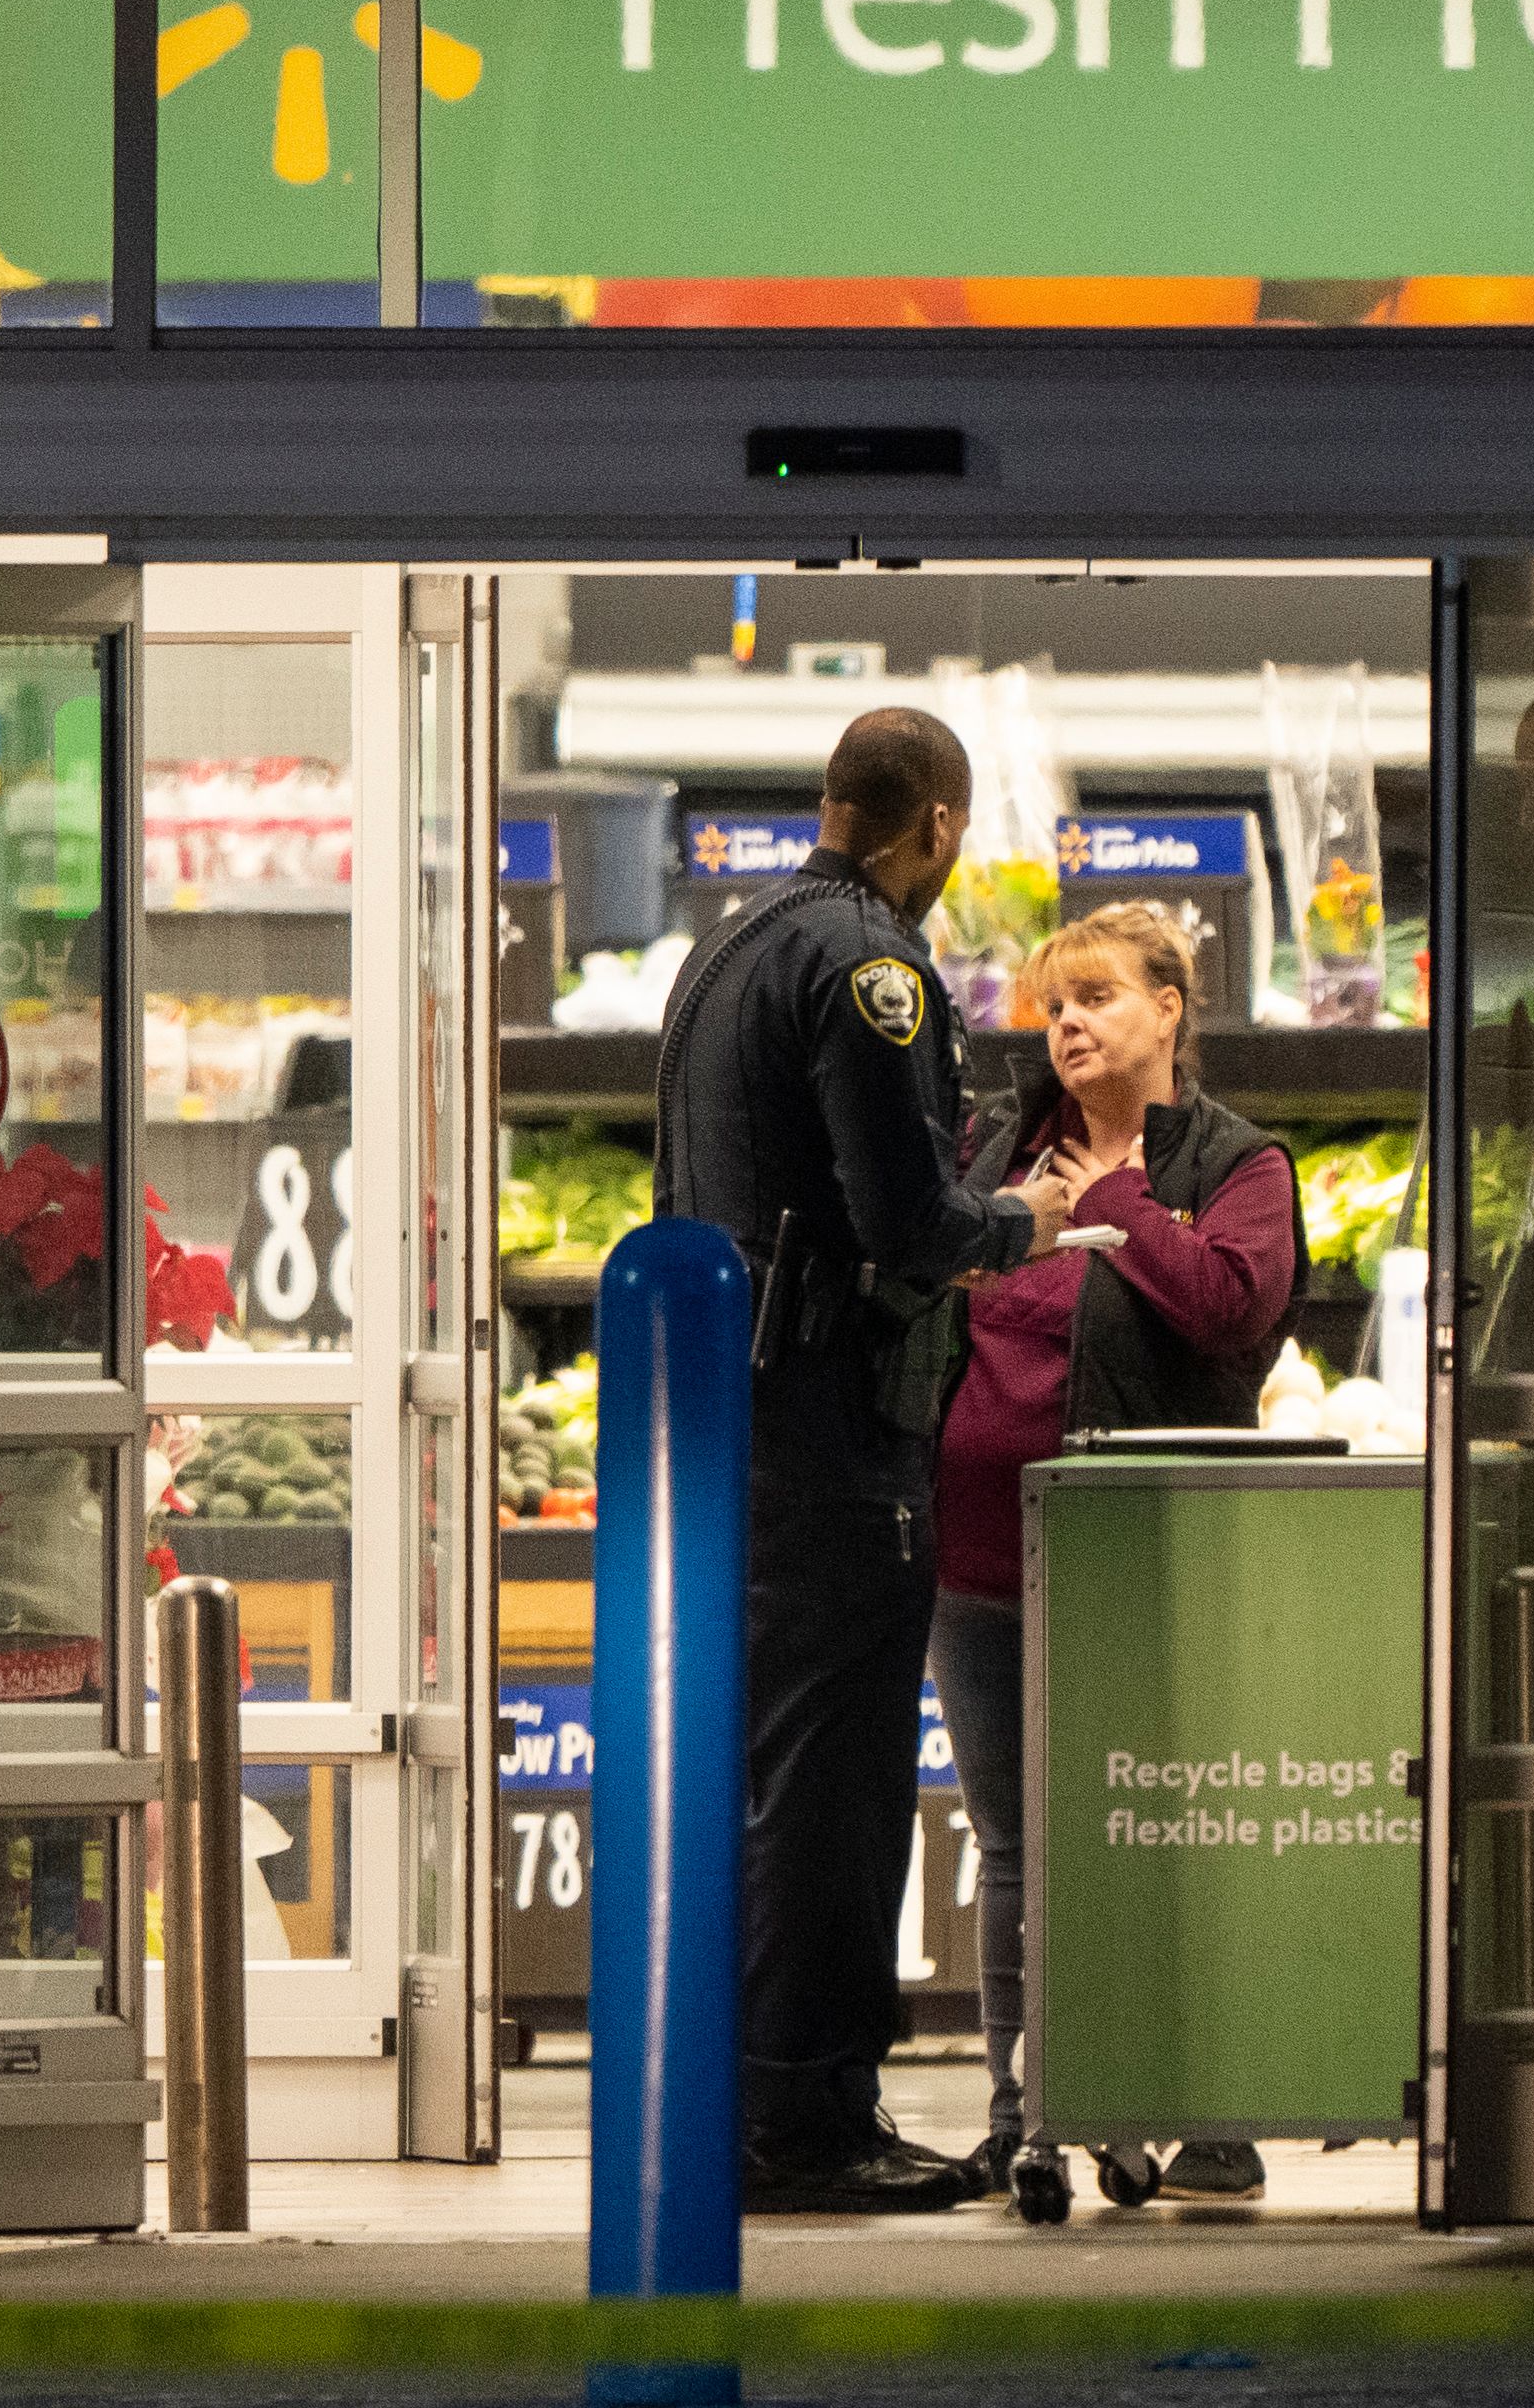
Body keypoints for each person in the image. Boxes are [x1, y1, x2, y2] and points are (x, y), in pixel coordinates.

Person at [653, 705, 1075, 2212]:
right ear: (938, 826)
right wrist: (1031, 1219)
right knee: (832, 1798)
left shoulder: (732, 944)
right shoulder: (875, 968)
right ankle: (808, 2120)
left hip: (733, 1431)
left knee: (769, 1782)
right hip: (838, 1437)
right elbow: (907, 1224)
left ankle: (758, 2099)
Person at [931, 904, 1306, 2203]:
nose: (1069, 1023)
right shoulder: (995, 1152)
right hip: (978, 1562)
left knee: (1156, 1831)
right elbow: (929, 1294)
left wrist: (1121, 1204)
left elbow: (1231, 1310)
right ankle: (1016, 2112)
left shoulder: (1236, 1163)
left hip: (1142, 1551)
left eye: (1095, 996)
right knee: (1018, 1850)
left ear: (1169, 1006)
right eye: (1052, 1005)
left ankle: (1191, 2109)